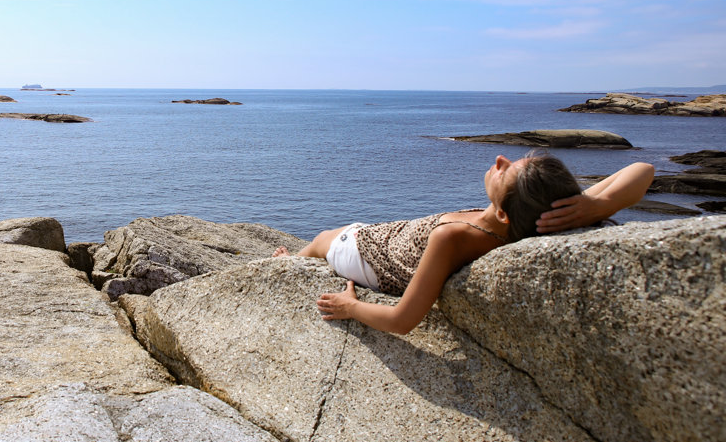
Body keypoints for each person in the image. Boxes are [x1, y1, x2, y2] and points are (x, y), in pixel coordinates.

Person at [272, 153, 654, 336]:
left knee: (323, 240)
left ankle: (290, 260)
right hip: (390, 236)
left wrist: (351, 307)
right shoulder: (548, 215)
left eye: (506, 171)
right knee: (340, 233)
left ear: (504, 212)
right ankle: (297, 255)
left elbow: (403, 321)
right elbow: (643, 171)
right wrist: (596, 204)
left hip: (368, 255)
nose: (500, 159)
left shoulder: (453, 237)